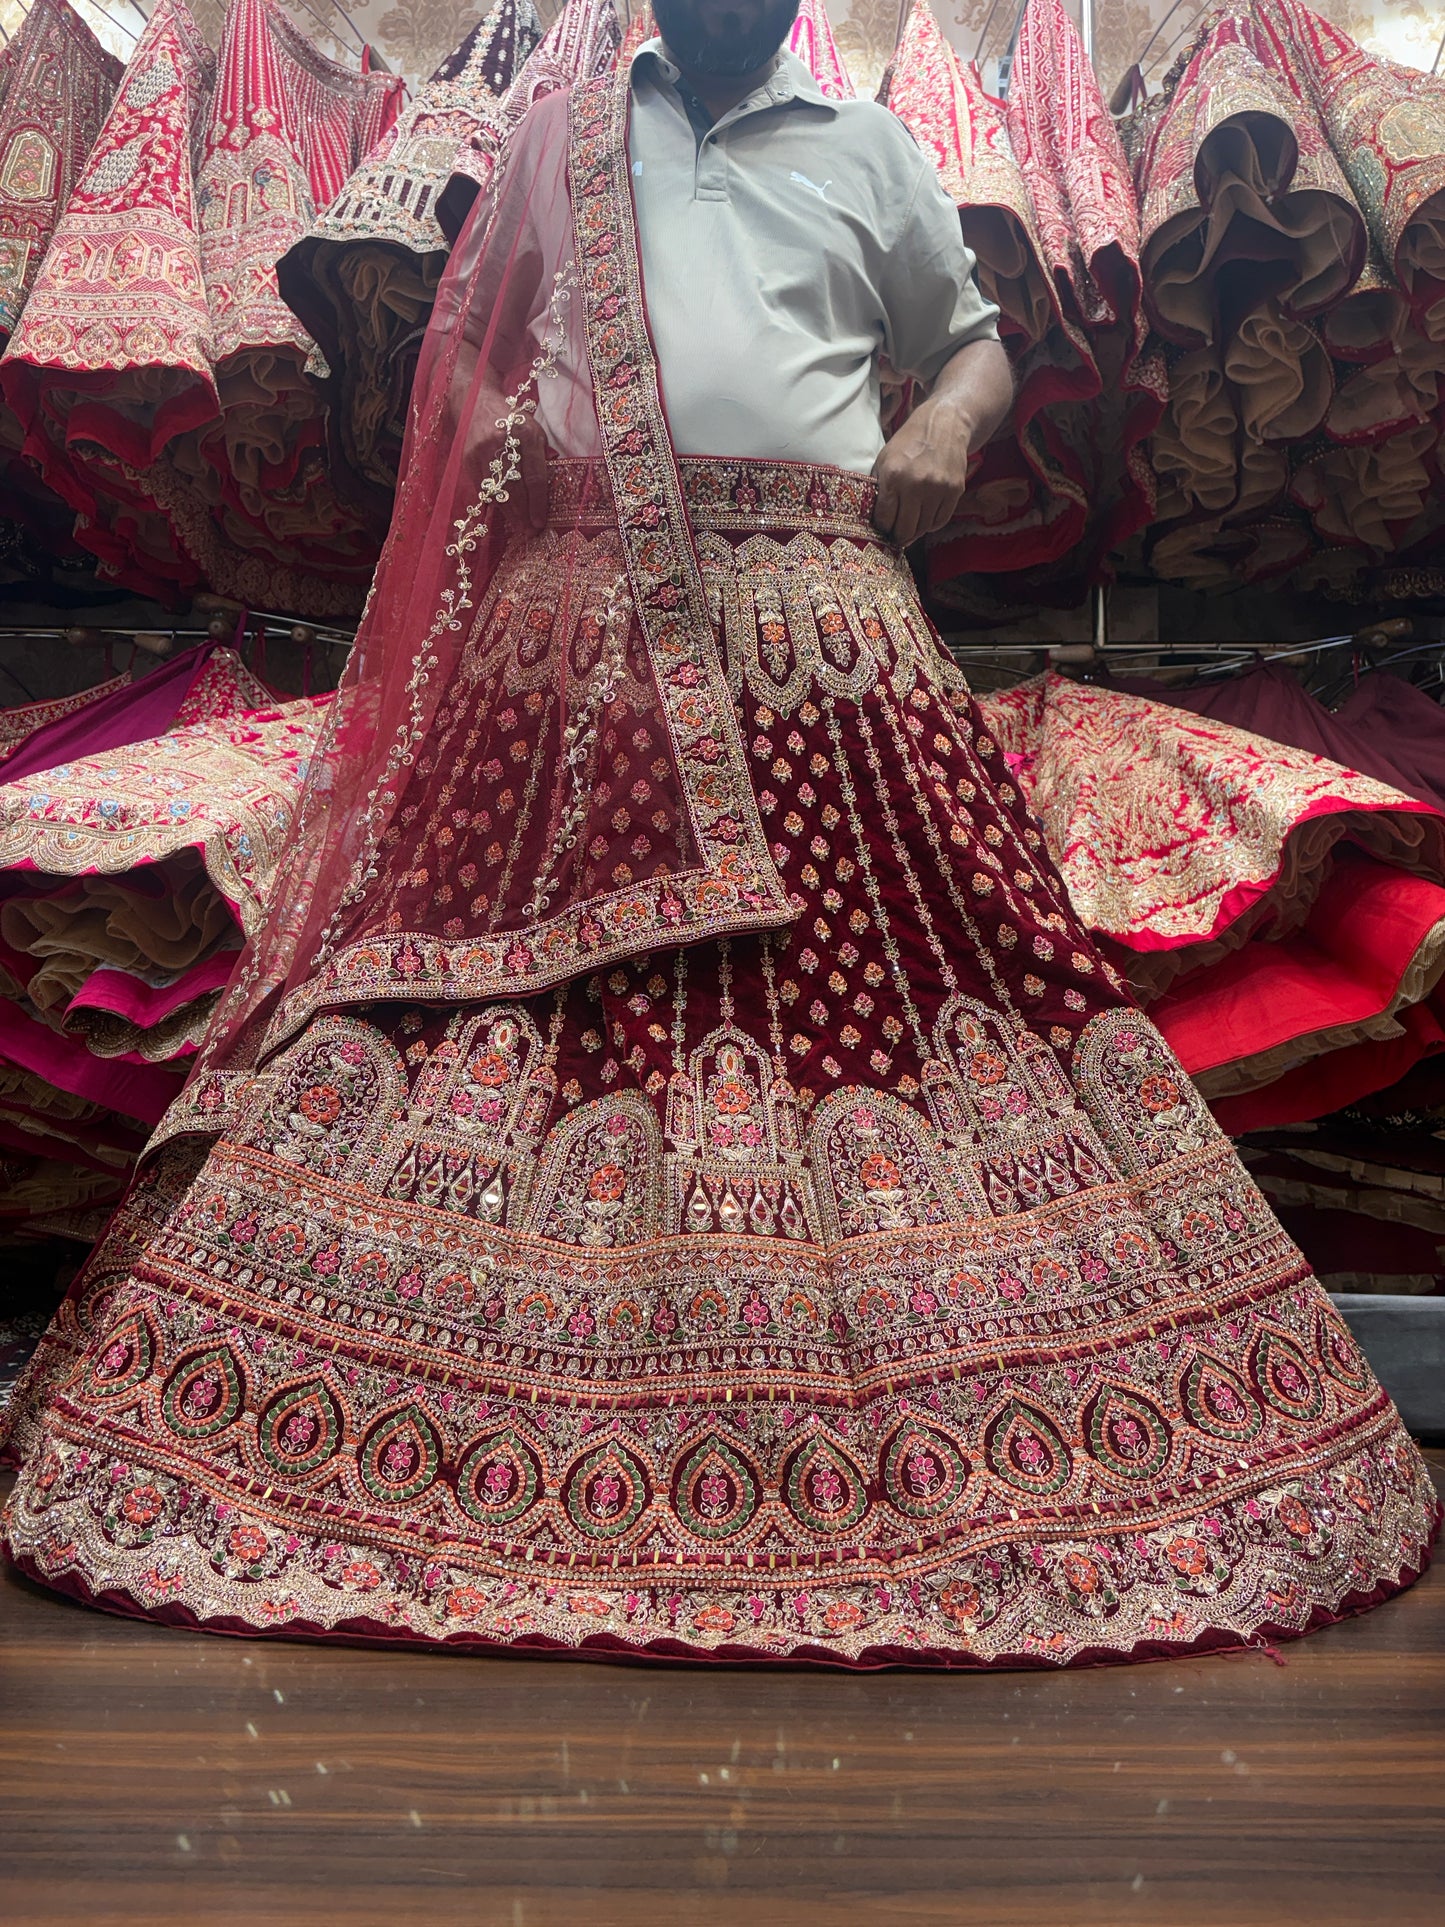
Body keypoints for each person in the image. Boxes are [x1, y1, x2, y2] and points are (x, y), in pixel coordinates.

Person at [3, 0, 1434, 1667]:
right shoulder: (556, 137)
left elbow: (970, 339)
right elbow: (464, 369)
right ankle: (466, 1423)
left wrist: (950, 425)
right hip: (577, 651)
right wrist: (528, 471)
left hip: (822, 630)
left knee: (942, 995)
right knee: (515, 1018)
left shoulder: (872, 147)